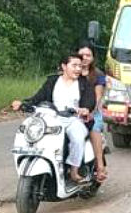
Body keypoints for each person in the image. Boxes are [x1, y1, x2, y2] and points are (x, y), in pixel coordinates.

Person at [11, 53, 96, 183]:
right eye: (74, 65)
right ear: (64, 66)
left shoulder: (84, 83)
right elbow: (37, 98)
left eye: (80, 66)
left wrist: (85, 109)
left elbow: (90, 101)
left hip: (73, 119)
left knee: (77, 138)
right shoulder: (52, 81)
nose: (78, 69)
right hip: (52, 119)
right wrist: (23, 104)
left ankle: (74, 170)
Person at [77, 43, 107, 182]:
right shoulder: (71, 72)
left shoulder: (98, 75)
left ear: (93, 58)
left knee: (94, 129)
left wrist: (90, 112)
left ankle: (100, 166)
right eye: (82, 54)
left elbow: (98, 97)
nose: (85, 58)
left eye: (88, 55)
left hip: (92, 112)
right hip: (72, 112)